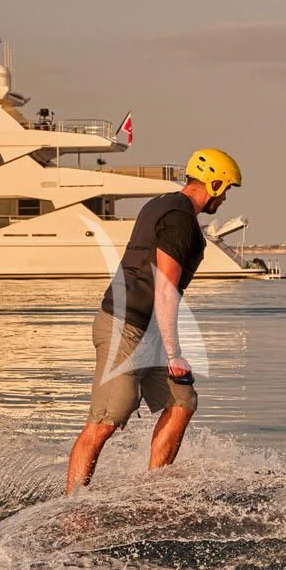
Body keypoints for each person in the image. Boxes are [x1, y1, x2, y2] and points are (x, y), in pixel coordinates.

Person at [66, 148, 243, 493]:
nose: (225, 198)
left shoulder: (161, 204)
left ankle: (152, 493)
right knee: (106, 419)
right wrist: (175, 354)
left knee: (181, 402)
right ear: (215, 183)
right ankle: (72, 507)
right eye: (227, 189)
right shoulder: (178, 219)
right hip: (124, 326)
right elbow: (165, 289)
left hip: (147, 329)